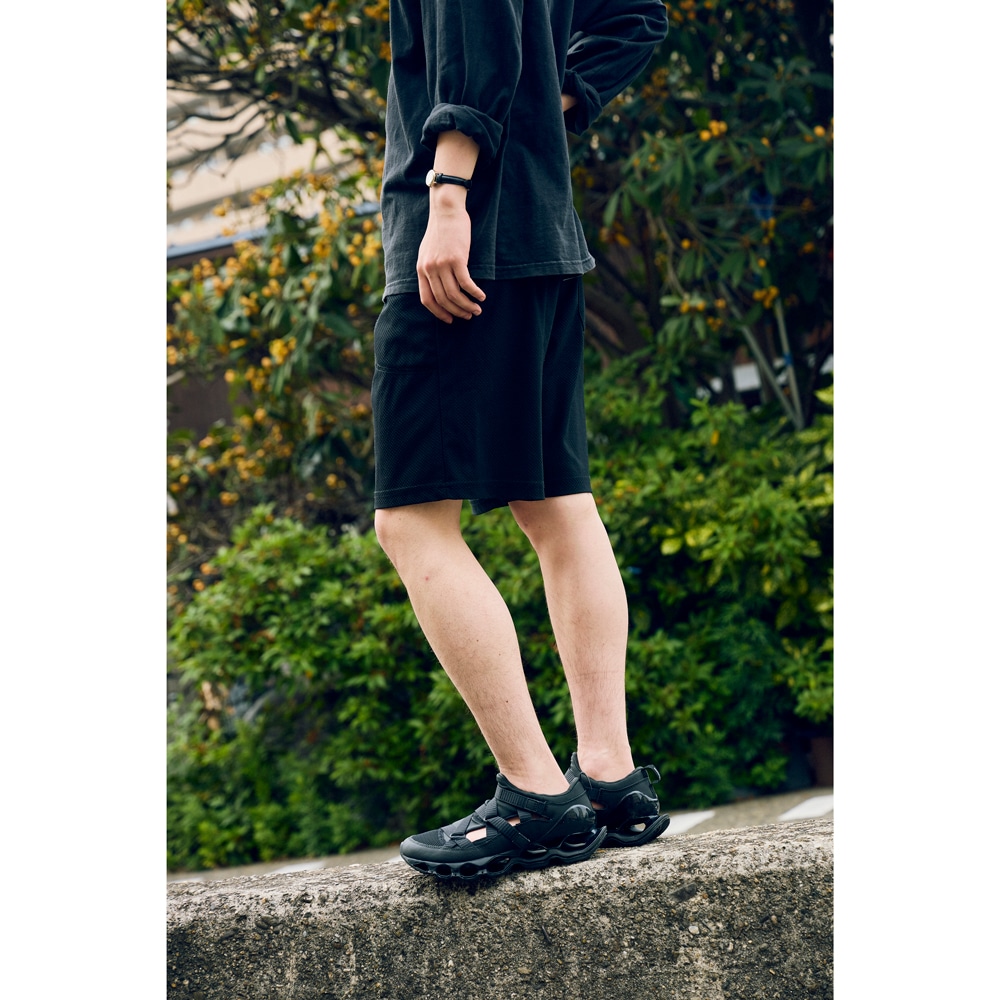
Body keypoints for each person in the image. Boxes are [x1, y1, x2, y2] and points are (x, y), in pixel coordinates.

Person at [371, 0, 670, 880]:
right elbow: (638, 15)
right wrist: (548, 98)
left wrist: (449, 193)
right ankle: (610, 778)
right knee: (556, 504)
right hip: (540, 230)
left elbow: (476, 35)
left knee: (412, 521)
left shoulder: (454, 203)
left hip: (469, 239)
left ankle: (537, 796)